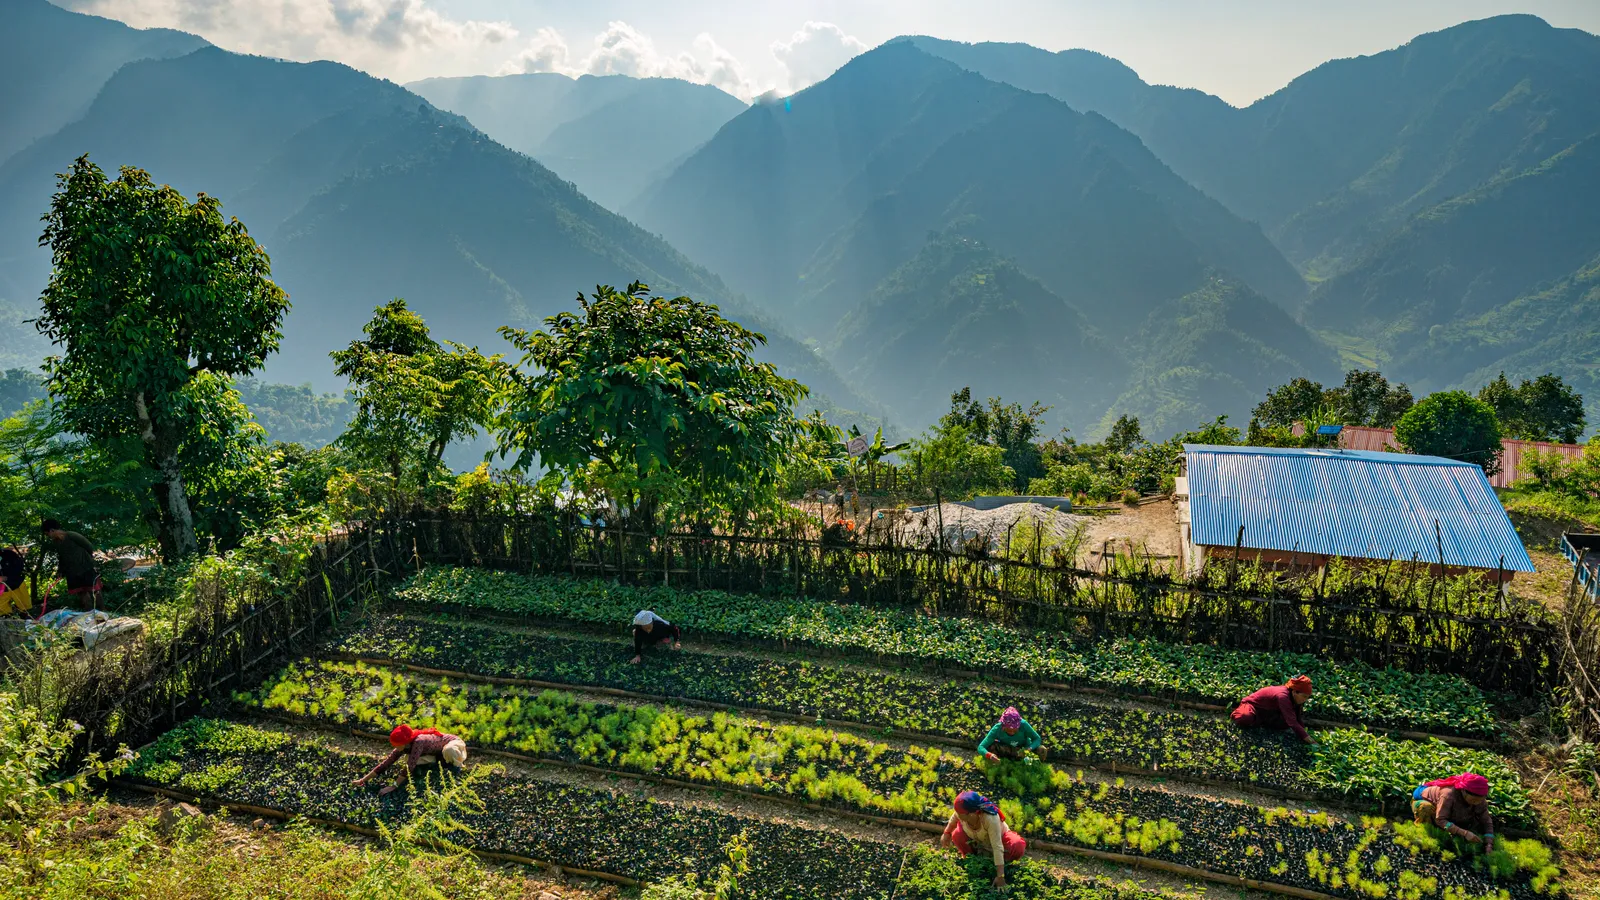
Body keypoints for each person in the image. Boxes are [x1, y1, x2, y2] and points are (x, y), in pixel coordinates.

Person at [940, 790, 1026, 888]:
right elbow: (953, 820)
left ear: (972, 814)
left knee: (1017, 845)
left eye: (960, 813)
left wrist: (1000, 876)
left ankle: (1003, 865)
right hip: (977, 841)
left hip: (998, 841)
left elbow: (997, 847)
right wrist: (946, 834)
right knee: (957, 834)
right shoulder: (962, 814)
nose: (957, 814)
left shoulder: (990, 818)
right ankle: (971, 859)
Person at [353, 724, 468, 796]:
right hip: (436, 753)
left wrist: (394, 786)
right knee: (411, 759)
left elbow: (409, 766)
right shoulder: (405, 745)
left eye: (397, 745)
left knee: (449, 750)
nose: (395, 748)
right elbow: (387, 763)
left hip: (454, 745)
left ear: (404, 743)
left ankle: (456, 766)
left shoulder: (419, 742)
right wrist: (363, 780)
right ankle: (441, 764)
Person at [1411, 772, 1495, 851]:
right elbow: (1440, 820)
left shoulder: (1480, 800)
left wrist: (1489, 843)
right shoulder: (1448, 795)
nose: (1476, 803)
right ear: (1463, 791)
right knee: (1426, 808)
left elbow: (1486, 821)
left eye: (1479, 801)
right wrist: (1464, 833)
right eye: (1473, 800)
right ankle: (1424, 829)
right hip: (1423, 799)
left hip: (1446, 807)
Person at [1231, 675, 1315, 744]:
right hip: (1253, 707)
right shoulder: (1283, 696)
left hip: (1267, 711)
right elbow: (1292, 722)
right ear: (1294, 692)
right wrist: (1311, 741)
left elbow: (1297, 717)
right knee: (1244, 717)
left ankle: (1259, 722)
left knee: (1284, 724)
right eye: (1304, 696)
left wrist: (1305, 733)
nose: (1305, 700)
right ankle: (1238, 714)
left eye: (1307, 697)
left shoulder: (1296, 698)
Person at [41, 519, 100, 607]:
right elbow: (61, 557)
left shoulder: (71, 535)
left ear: (52, 530)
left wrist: (90, 562)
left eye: (47, 534)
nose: (48, 536)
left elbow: (89, 547)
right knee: (81, 593)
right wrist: (60, 570)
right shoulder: (56, 542)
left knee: (95, 590)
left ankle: (103, 612)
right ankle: (90, 614)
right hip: (72, 571)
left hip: (86, 567)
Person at [979, 706, 1045, 761]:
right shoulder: (997, 729)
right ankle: (1003, 762)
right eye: (1008, 730)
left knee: (1042, 749)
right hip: (1007, 750)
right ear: (1003, 726)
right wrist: (990, 755)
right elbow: (981, 747)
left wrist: (1029, 749)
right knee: (990, 746)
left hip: (1024, 750)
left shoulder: (1024, 725)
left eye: (1015, 730)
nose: (1012, 732)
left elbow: (1037, 739)